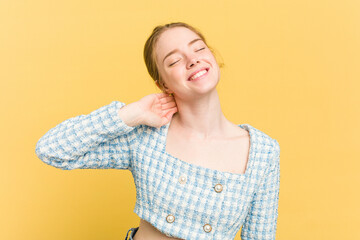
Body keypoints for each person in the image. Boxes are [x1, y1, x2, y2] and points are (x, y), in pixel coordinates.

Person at [35, 22, 281, 240]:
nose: (192, 60)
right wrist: (128, 114)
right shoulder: (145, 136)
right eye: (174, 60)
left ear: (212, 57)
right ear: (163, 83)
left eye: (198, 48)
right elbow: (52, 149)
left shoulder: (262, 151)